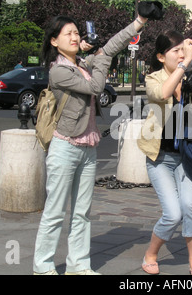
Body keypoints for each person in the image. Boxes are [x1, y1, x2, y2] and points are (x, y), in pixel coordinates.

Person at [33, 14, 148, 275]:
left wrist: (139, 22)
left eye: (76, 32)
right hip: (64, 147)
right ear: (54, 41)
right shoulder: (59, 71)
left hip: (88, 148)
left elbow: (110, 47)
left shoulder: (82, 63)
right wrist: (100, 59)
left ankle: (79, 265)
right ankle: (42, 267)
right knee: (54, 212)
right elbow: (96, 86)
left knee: (82, 213)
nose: (74, 37)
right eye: (68, 34)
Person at [137, 30, 192, 275]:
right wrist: (184, 66)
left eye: (182, 49)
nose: (181, 54)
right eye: (175, 51)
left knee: (190, 206)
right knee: (173, 213)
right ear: (162, 57)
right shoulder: (154, 78)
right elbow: (162, 94)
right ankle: (151, 253)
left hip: (187, 156)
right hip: (160, 158)